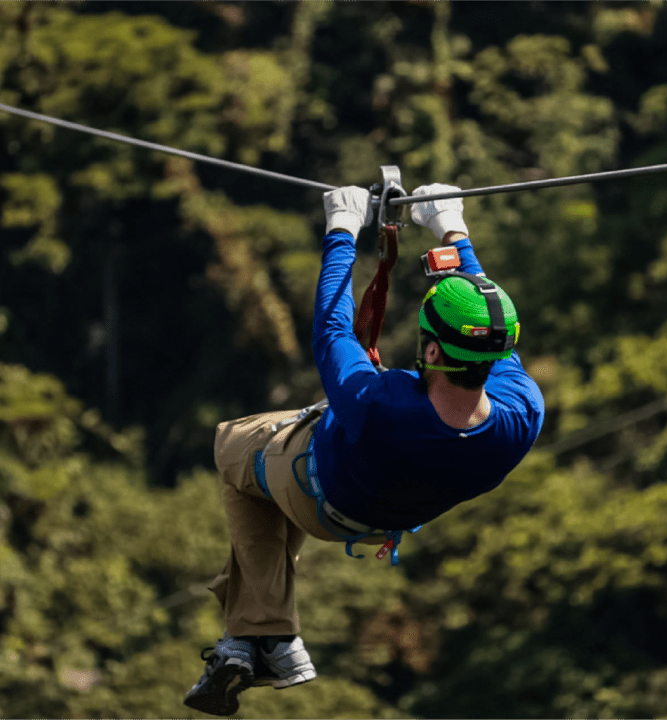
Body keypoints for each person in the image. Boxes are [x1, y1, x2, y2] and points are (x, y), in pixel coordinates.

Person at [183, 184, 545, 716]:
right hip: (384, 517)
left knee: (234, 446)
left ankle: (267, 633)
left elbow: (332, 330)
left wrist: (341, 231)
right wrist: (452, 230)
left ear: (428, 349)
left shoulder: (381, 406)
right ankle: (255, 638)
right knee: (274, 471)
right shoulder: (522, 414)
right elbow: (488, 326)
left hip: (319, 493)